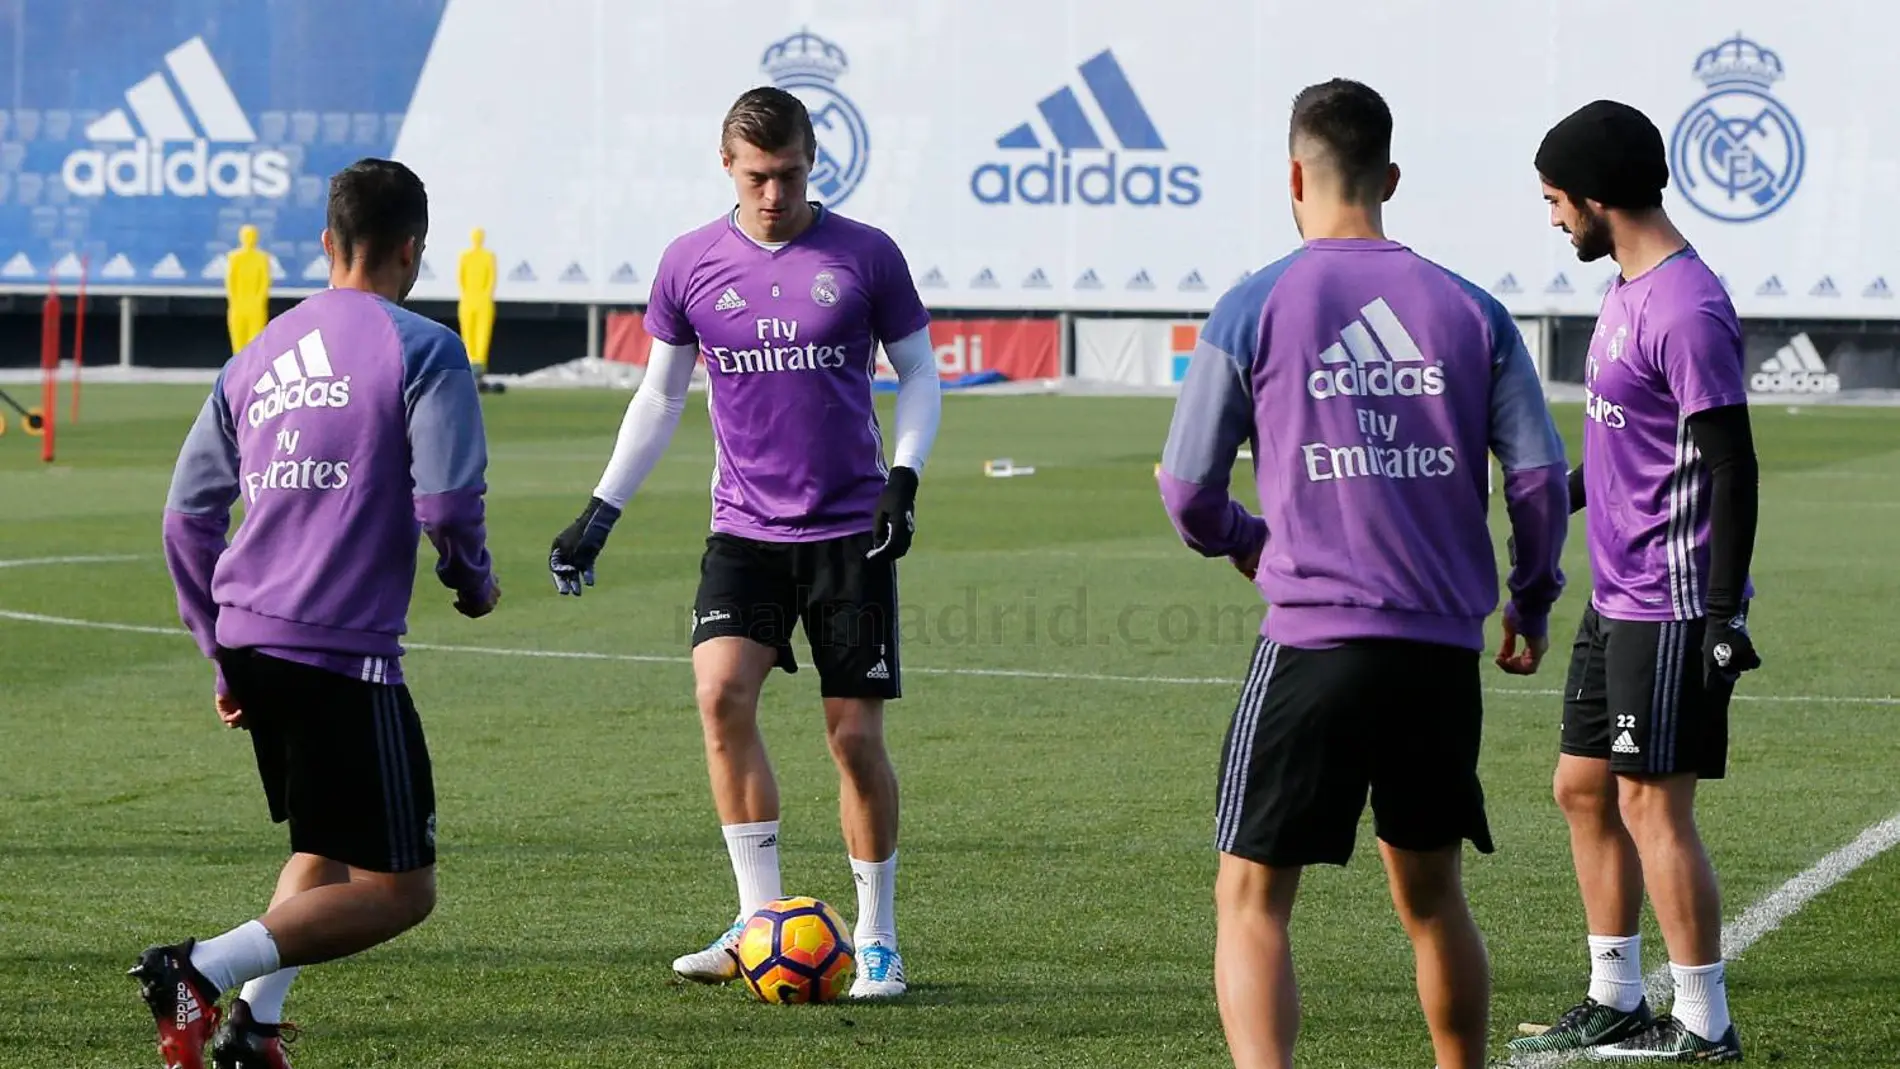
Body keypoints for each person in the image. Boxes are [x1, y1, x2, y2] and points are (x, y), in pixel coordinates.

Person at [1157, 79, 1571, 1069]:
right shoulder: (1470, 309)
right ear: (1388, 177)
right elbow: (1540, 476)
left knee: (1251, 899)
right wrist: (1530, 594)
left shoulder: (1255, 303)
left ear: (1293, 176)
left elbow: (1183, 489)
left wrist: (1248, 541)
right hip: (1436, 654)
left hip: (1313, 644)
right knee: (1431, 900)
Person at [547, 86, 942, 1000]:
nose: (775, 193)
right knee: (721, 692)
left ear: (814, 163)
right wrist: (601, 511)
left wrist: (905, 476)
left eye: (792, 173)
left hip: (850, 531)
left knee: (852, 738)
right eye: (759, 176)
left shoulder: (867, 254)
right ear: (727, 166)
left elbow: (918, 369)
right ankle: (757, 920)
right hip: (744, 529)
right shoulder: (690, 264)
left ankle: (878, 936)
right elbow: (659, 398)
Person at [144, 157, 499, 1069]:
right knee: (402, 890)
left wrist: (219, 654)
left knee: (327, 844)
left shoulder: (256, 355)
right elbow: (450, 504)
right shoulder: (423, 348)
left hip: (254, 639)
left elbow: (186, 519)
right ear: (413, 250)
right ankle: (197, 967)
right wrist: (472, 580)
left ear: (325, 244)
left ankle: (250, 1030)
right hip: (341, 651)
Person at [1505, 99, 1759, 1063]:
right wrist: (1542, 498)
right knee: (1582, 788)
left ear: (1599, 195)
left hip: (1673, 597)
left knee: (1653, 801)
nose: (1553, 216)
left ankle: (1703, 1023)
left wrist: (1725, 609)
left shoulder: (1688, 307)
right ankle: (1614, 995)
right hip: (1614, 593)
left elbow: (1729, 465)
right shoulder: (1623, 289)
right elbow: (1626, 451)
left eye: (1555, 198)